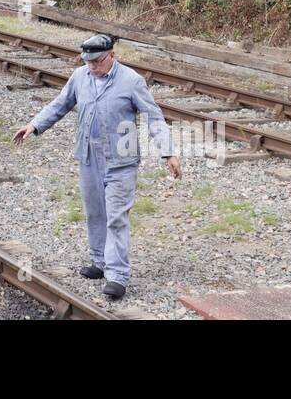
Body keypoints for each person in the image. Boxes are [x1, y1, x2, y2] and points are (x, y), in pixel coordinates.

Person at [12, 33, 181, 300]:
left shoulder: (131, 81)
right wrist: (35, 125)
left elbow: (154, 117)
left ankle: (117, 276)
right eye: (88, 62)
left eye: (98, 61)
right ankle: (99, 261)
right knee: (94, 213)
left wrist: (168, 152)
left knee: (116, 218)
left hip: (121, 162)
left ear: (112, 55)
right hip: (89, 157)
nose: (92, 66)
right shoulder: (80, 76)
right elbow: (61, 104)